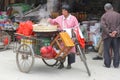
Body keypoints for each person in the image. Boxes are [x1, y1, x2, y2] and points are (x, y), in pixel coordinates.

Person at [48, 3, 79, 69]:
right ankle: (61, 63)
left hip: (70, 37)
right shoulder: (60, 18)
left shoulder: (73, 18)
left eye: (63, 11)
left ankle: (69, 64)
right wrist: (49, 20)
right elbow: (53, 21)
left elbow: (76, 27)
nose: (62, 12)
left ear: (67, 11)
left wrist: (74, 37)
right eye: (62, 11)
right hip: (62, 37)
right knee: (62, 50)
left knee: (71, 51)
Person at [101, 3, 120, 68]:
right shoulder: (118, 15)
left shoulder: (104, 16)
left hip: (107, 36)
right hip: (116, 36)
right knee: (116, 50)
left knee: (106, 50)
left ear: (105, 9)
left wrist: (109, 33)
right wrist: (116, 31)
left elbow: (103, 26)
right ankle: (116, 64)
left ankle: (107, 64)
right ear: (112, 8)